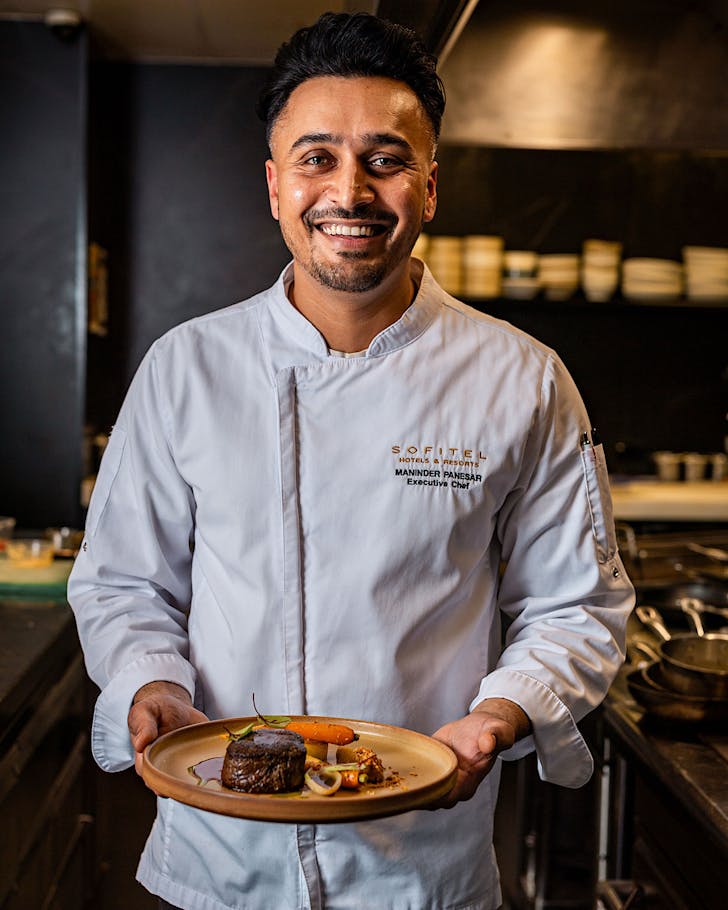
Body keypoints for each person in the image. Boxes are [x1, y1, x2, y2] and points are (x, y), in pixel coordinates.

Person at [68, 11, 634, 910]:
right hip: (221, 857)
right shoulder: (186, 368)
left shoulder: (522, 378)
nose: (350, 190)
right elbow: (124, 583)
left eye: (385, 159)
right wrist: (151, 682)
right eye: (317, 157)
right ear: (274, 185)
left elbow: (576, 604)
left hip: (421, 864)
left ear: (430, 187)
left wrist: (501, 714)